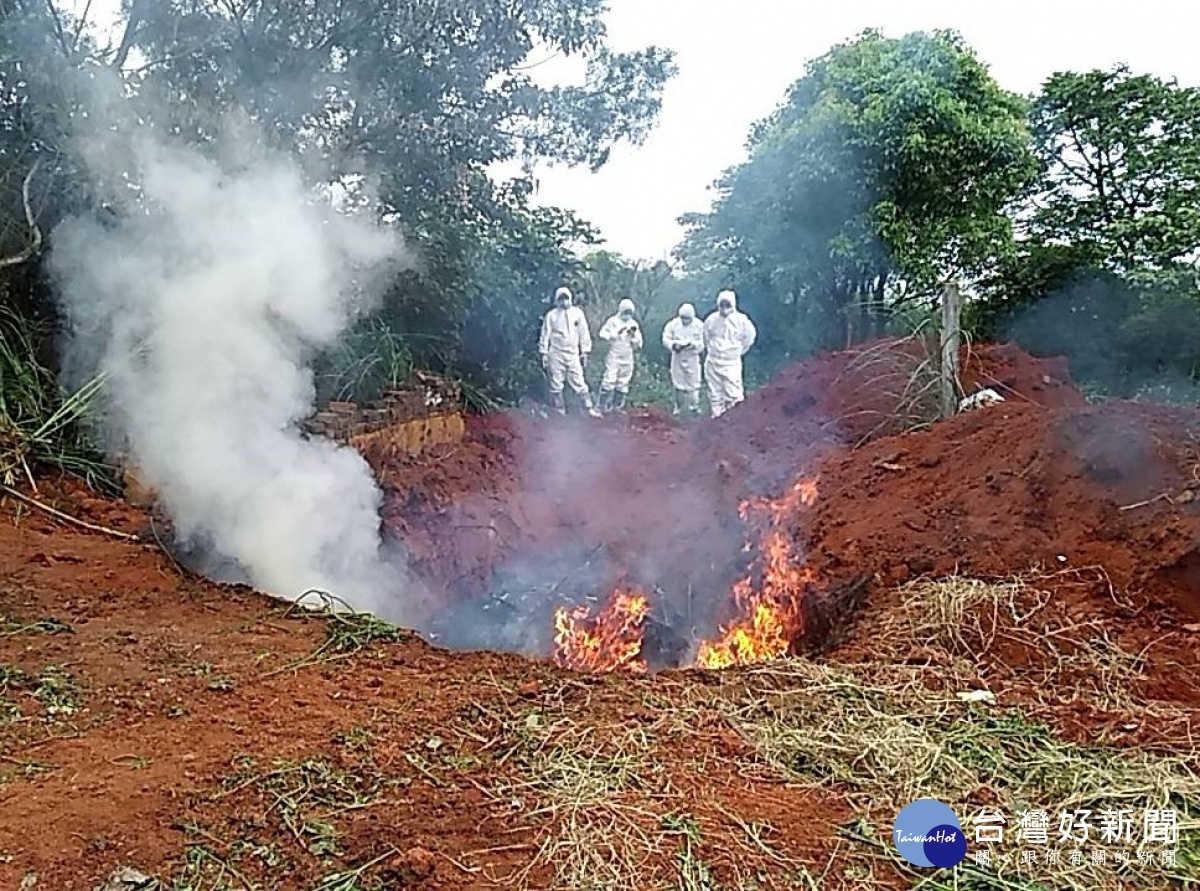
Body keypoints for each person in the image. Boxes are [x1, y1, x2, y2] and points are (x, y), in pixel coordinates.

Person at [538, 286, 601, 418]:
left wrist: (585, 352)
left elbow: (584, 333)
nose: (564, 301)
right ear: (557, 300)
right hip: (556, 353)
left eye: (566, 298)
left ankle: (588, 408)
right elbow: (545, 334)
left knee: (579, 381)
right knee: (556, 382)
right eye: (561, 299)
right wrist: (543, 353)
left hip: (573, 354)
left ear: (570, 298)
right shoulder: (551, 315)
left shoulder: (577, 313)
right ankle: (559, 410)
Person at [702, 288, 757, 418]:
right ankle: (716, 420)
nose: (725, 307)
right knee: (715, 394)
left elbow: (749, 339)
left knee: (734, 395)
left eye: (728, 304)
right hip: (713, 361)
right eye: (722, 304)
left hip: (731, 362)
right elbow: (706, 338)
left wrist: (737, 352)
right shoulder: (711, 320)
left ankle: (736, 422)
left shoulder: (742, 321)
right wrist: (714, 350)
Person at [597, 298, 643, 412]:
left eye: (629, 312)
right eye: (625, 312)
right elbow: (602, 334)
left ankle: (616, 407)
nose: (627, 315)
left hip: (627, 356)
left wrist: (632, 336)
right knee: (609, 380)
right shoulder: (612, 321)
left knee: (623, 382)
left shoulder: (633, 324)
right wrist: (617, 332)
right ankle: (601, 406)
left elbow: (639, 343)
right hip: (614, 355)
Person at [661, 302, 705, 415]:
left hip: (692, 358)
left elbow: (704, 341)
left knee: (694, 384)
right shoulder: (673, 324)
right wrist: (673, 345)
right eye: (683, 318)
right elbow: (665, 338)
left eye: (687, 318)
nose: (685, 320)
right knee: (678, 384)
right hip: (677, 357)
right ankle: (678, 407)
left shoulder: (699, 326)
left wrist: (694, 346)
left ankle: (694, 406)